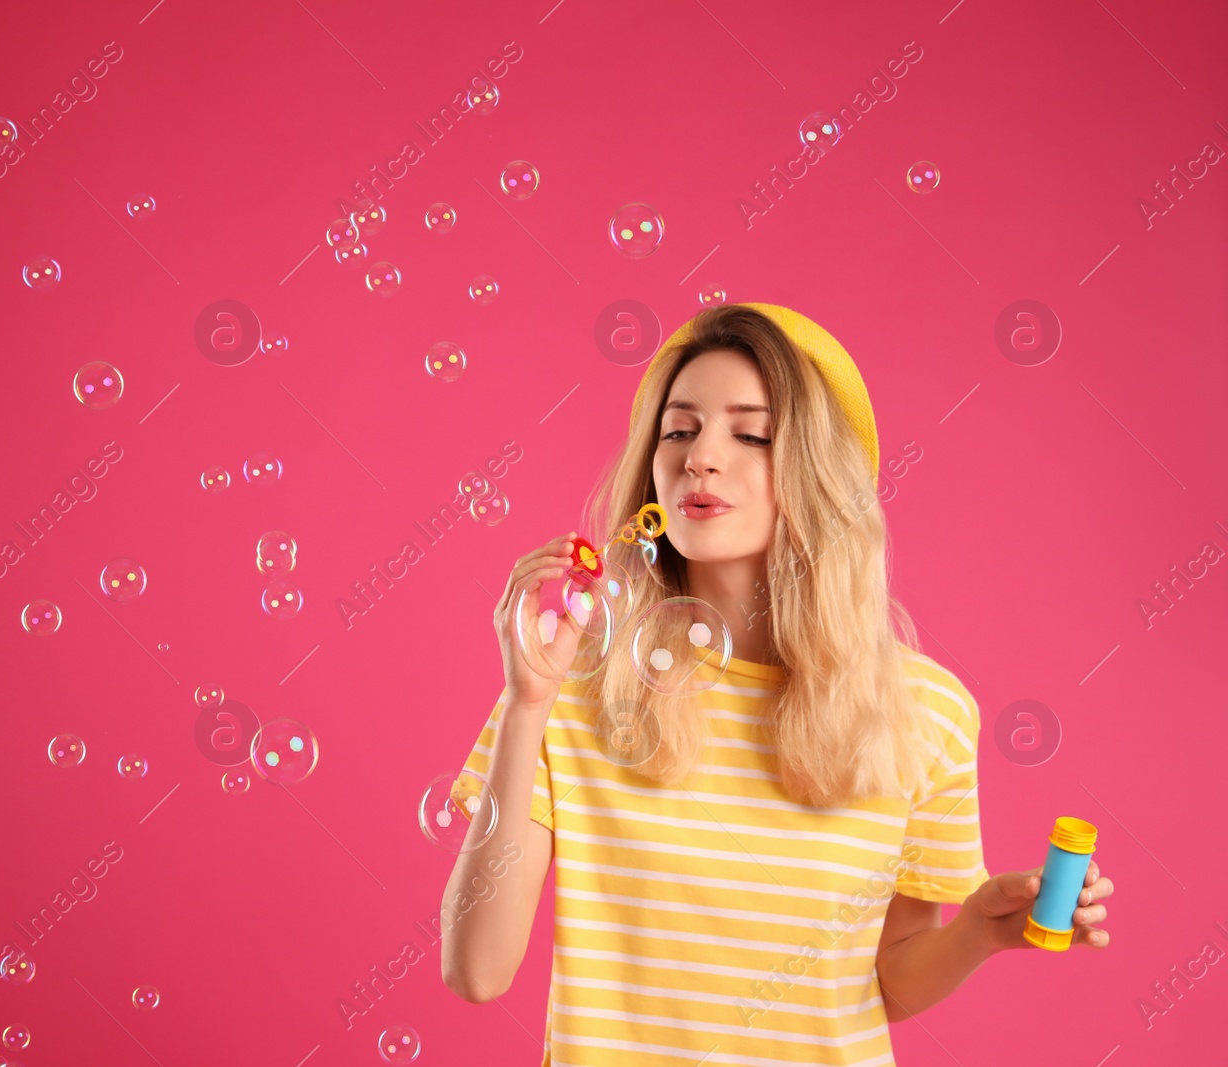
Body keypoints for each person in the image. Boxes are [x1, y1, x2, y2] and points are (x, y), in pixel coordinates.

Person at [439, 303, 1115, 1065]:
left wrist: (976, 934)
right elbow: (476, 970)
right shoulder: (575, 683)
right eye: (679, 430)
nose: (701, 457)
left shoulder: (924, 712)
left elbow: (884, 981)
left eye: (751, 433)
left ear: (820, 473)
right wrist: (528, 705)